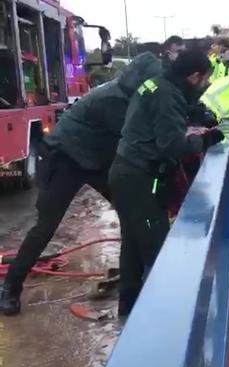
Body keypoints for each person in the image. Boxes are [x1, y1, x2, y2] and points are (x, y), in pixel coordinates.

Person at [0, 53, 162, 316]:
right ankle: (10, 288)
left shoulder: (129, 95)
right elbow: (136, 138)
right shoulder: (114, 99)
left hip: (96, 161)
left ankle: (137, 280)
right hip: (66, 159)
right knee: (45, 227)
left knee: (131, 213)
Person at [109, 50, 223, 316]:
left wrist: (197, 117)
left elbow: (172, 113)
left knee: (133, 245)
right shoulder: (167, 94)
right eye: (204, 80)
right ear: (194, 77)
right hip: (139, 179)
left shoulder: (159, 82)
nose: (204, 85)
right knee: (157, 249)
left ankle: (128, 310)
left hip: (125, 173)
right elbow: (173, 146)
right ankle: (165, 318)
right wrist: (206, 139)